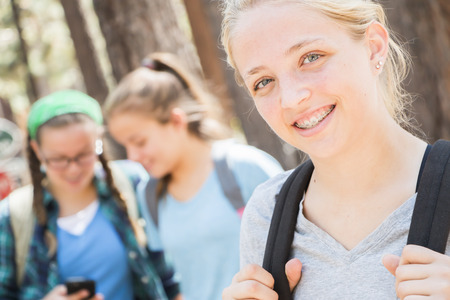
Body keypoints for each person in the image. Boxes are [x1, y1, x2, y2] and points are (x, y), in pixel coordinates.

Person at [219, 0, 450, 299]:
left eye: (311, 57)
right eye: (264, 81)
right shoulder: (266, 214)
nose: (290, 98)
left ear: (374, 47)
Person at [104, 52, 284, 300]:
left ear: (177, 121)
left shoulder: (245, 166)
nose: (132, 156)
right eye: (125, 145)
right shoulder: (149, 194)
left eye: (139, 141)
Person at [0, 90, 181, 300]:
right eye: (59, 159)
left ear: (99, 141)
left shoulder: (131, 183)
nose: (73, 169)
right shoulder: (11, 216)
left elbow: (168, 278)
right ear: (37, 150)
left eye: (84, 155)